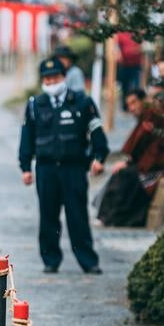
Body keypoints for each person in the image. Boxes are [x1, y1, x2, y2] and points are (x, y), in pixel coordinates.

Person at [19, 54, 108, 275]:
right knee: (48, 216)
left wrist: (99, 157)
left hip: (74, 168)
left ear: (64, 77)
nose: (51, 82)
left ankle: (88, 261)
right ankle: (51, 260)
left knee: (77, 216)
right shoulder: (35, 105)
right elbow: (26, 138)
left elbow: (96, 132)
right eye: (46, 79)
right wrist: (25, 168)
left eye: (55, 77)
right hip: (46, 169)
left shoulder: (82, 102)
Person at [96, 88, 164, 227]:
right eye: (129, 105)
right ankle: (108, 217)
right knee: (121, 174)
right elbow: (140, 147)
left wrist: (133, 164)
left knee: (126, 176)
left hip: (162, 167)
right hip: (148, 164)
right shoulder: (149, 116)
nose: (132, 108)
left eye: (134, 103)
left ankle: (112, 218)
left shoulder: (162, 116)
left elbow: (161, 150)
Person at [114, 31, 143, 110]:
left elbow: (141, 45)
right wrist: (118, 53)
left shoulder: (137, 33)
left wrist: (137, 50)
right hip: (125, 65)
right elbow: (116, 45)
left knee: (136, 87)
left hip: (136, 65)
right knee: (124, 87)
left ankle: (137, 106)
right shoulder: (121, 34)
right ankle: (125, 106)